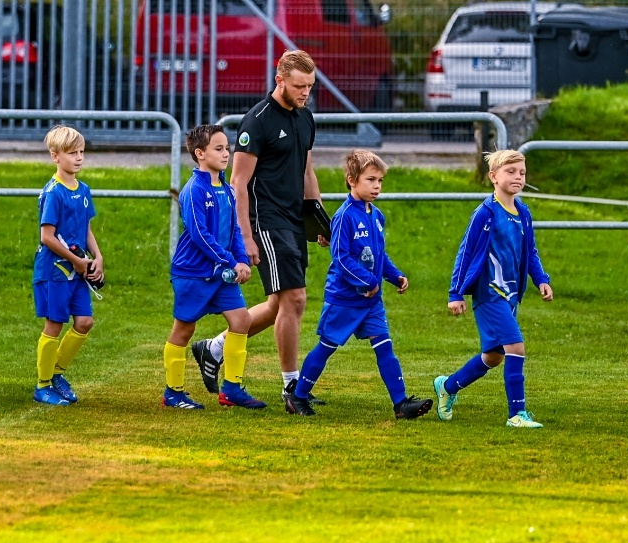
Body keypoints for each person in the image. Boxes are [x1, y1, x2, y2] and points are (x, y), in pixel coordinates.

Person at [191, 50, 329, 415]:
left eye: (310, 86)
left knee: (278, 305)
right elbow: (238, 183)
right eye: (299, 86)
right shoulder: (258, 121)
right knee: (295, 299)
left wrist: (319, 221)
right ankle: (292, 387)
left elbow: (307, 173)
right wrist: (246, 236)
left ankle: (214, 348)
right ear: (279, 79)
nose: (305, 93)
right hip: (266, 221)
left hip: (294, 221)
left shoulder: (306, 117)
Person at [295, 150, 432, 420]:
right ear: (352, 180)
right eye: (370, 180)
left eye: (380, 181)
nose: (377, 186)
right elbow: (341, 258)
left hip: (371, 302)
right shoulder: (344, 216)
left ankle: (401, 404)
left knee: (385, 347)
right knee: (326, 348)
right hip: (344, 299)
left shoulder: (376, 216)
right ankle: (298, 397)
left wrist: (394, 275)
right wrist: (368, 280)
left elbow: (379, 255)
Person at [434, 149, 554, 428]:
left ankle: (447, 386)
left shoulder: (523, 213)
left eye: (522, 172)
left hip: (510, 296)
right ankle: (517, 414)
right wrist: (455, 293)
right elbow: (465, 252)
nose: (518, 177)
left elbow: (530, 252)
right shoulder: (485, 213)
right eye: (510, 171)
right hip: (489, 295)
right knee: (516, 347)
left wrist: (541, 279)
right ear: (493, 176)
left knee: (494, 356)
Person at [162, 125, 266, 411]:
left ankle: (231, 389)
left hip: (221, 273)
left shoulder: (228, 190)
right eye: (218, 149)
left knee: (241, 321)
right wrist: (231, 261)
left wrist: (241, 259)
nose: (226, 154)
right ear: (200, 153)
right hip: (193, 273)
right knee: (184, 329)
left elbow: (234, 230)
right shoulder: (194, 190)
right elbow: (200, 235)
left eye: (227, 148)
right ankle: (173, 393)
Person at [33, 125, 103, 406]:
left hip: (77, 270)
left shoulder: (83, 189)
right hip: (54, 271)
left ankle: (56, 373)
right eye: (72, 153)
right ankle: (43, 385)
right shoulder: (53, 192)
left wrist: (97, 257)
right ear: (55, 156)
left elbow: (86, 228)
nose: (79, 158)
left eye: (82, 152)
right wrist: (76, 261)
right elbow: (47, 237)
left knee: (85, 322)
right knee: (55, 324)